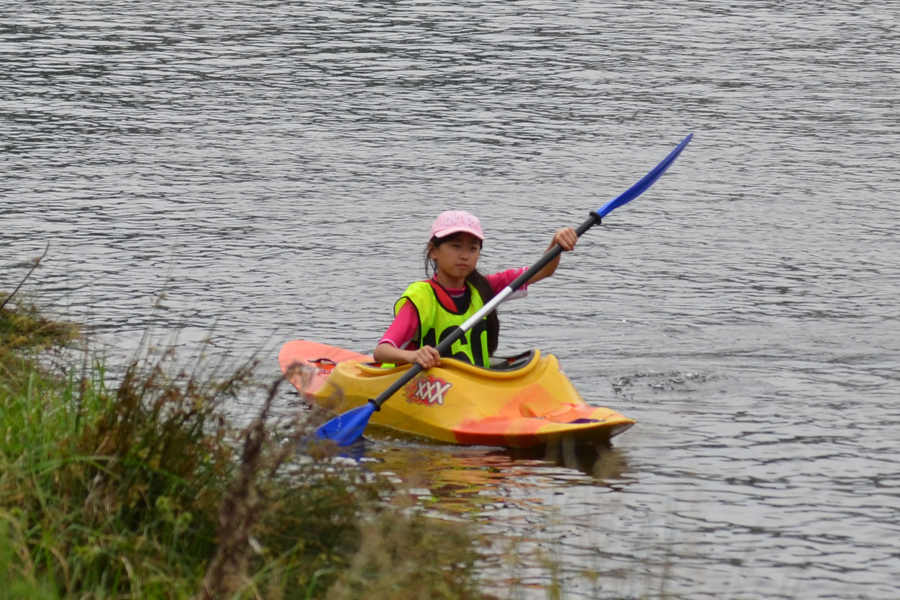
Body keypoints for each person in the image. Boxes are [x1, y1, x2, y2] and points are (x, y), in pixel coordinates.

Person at [372, 210, 578, 369]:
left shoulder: (485, 287)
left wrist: (556, 243)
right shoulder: (420, 297)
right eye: (455, 246)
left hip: (474, 385)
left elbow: (541, 271)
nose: (464, 255)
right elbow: (382, 351)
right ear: (433, 251)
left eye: (473, 248)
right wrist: (413, 355)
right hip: (425, 385)